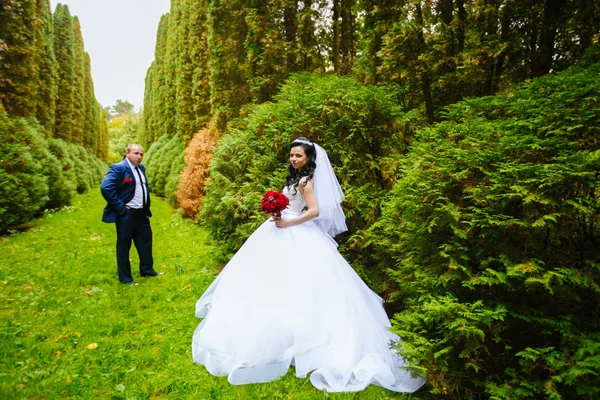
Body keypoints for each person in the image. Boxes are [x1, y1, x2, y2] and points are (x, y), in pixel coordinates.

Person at [191, 138, 425, 393]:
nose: (293, 159)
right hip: (278, 231)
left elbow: (314, 211)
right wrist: (276, 213)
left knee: (302, 286)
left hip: (297, 232)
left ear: (308, 159)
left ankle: (304, 342)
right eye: (291, 155)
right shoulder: (293, 179)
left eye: (298, 156)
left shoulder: (306, 182)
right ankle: (278, 337)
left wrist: (289, 222)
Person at [100, 144, 159, 285]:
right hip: (127, 214)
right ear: (127, 153)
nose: (139, 157)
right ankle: (126, 278)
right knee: (124, 245)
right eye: (136, 153)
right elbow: (105, 187)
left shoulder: (141, 168)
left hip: (142, 213)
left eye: (141, 154)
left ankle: (147, 269)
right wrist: (121, 207)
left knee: (145, 242)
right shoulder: (118, 168)